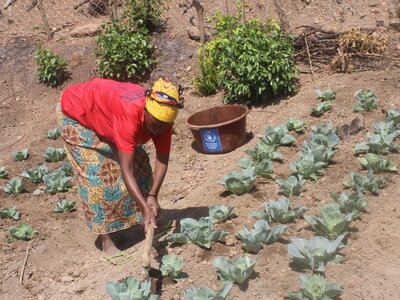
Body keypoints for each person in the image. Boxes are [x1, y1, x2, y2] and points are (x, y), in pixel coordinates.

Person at [56, 77, 184, 263]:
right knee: (97, 176)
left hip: (107, 118)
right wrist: (144, 207)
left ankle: (147, 221)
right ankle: (106, 241)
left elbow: (162, 158)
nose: (157, 129)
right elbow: (126, 170)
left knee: (141, 163)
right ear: (146, 109)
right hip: (78, 114)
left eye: (162, 125)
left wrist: (153, 195)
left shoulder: (163, 120)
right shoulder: (130, 112)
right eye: (154, 123)